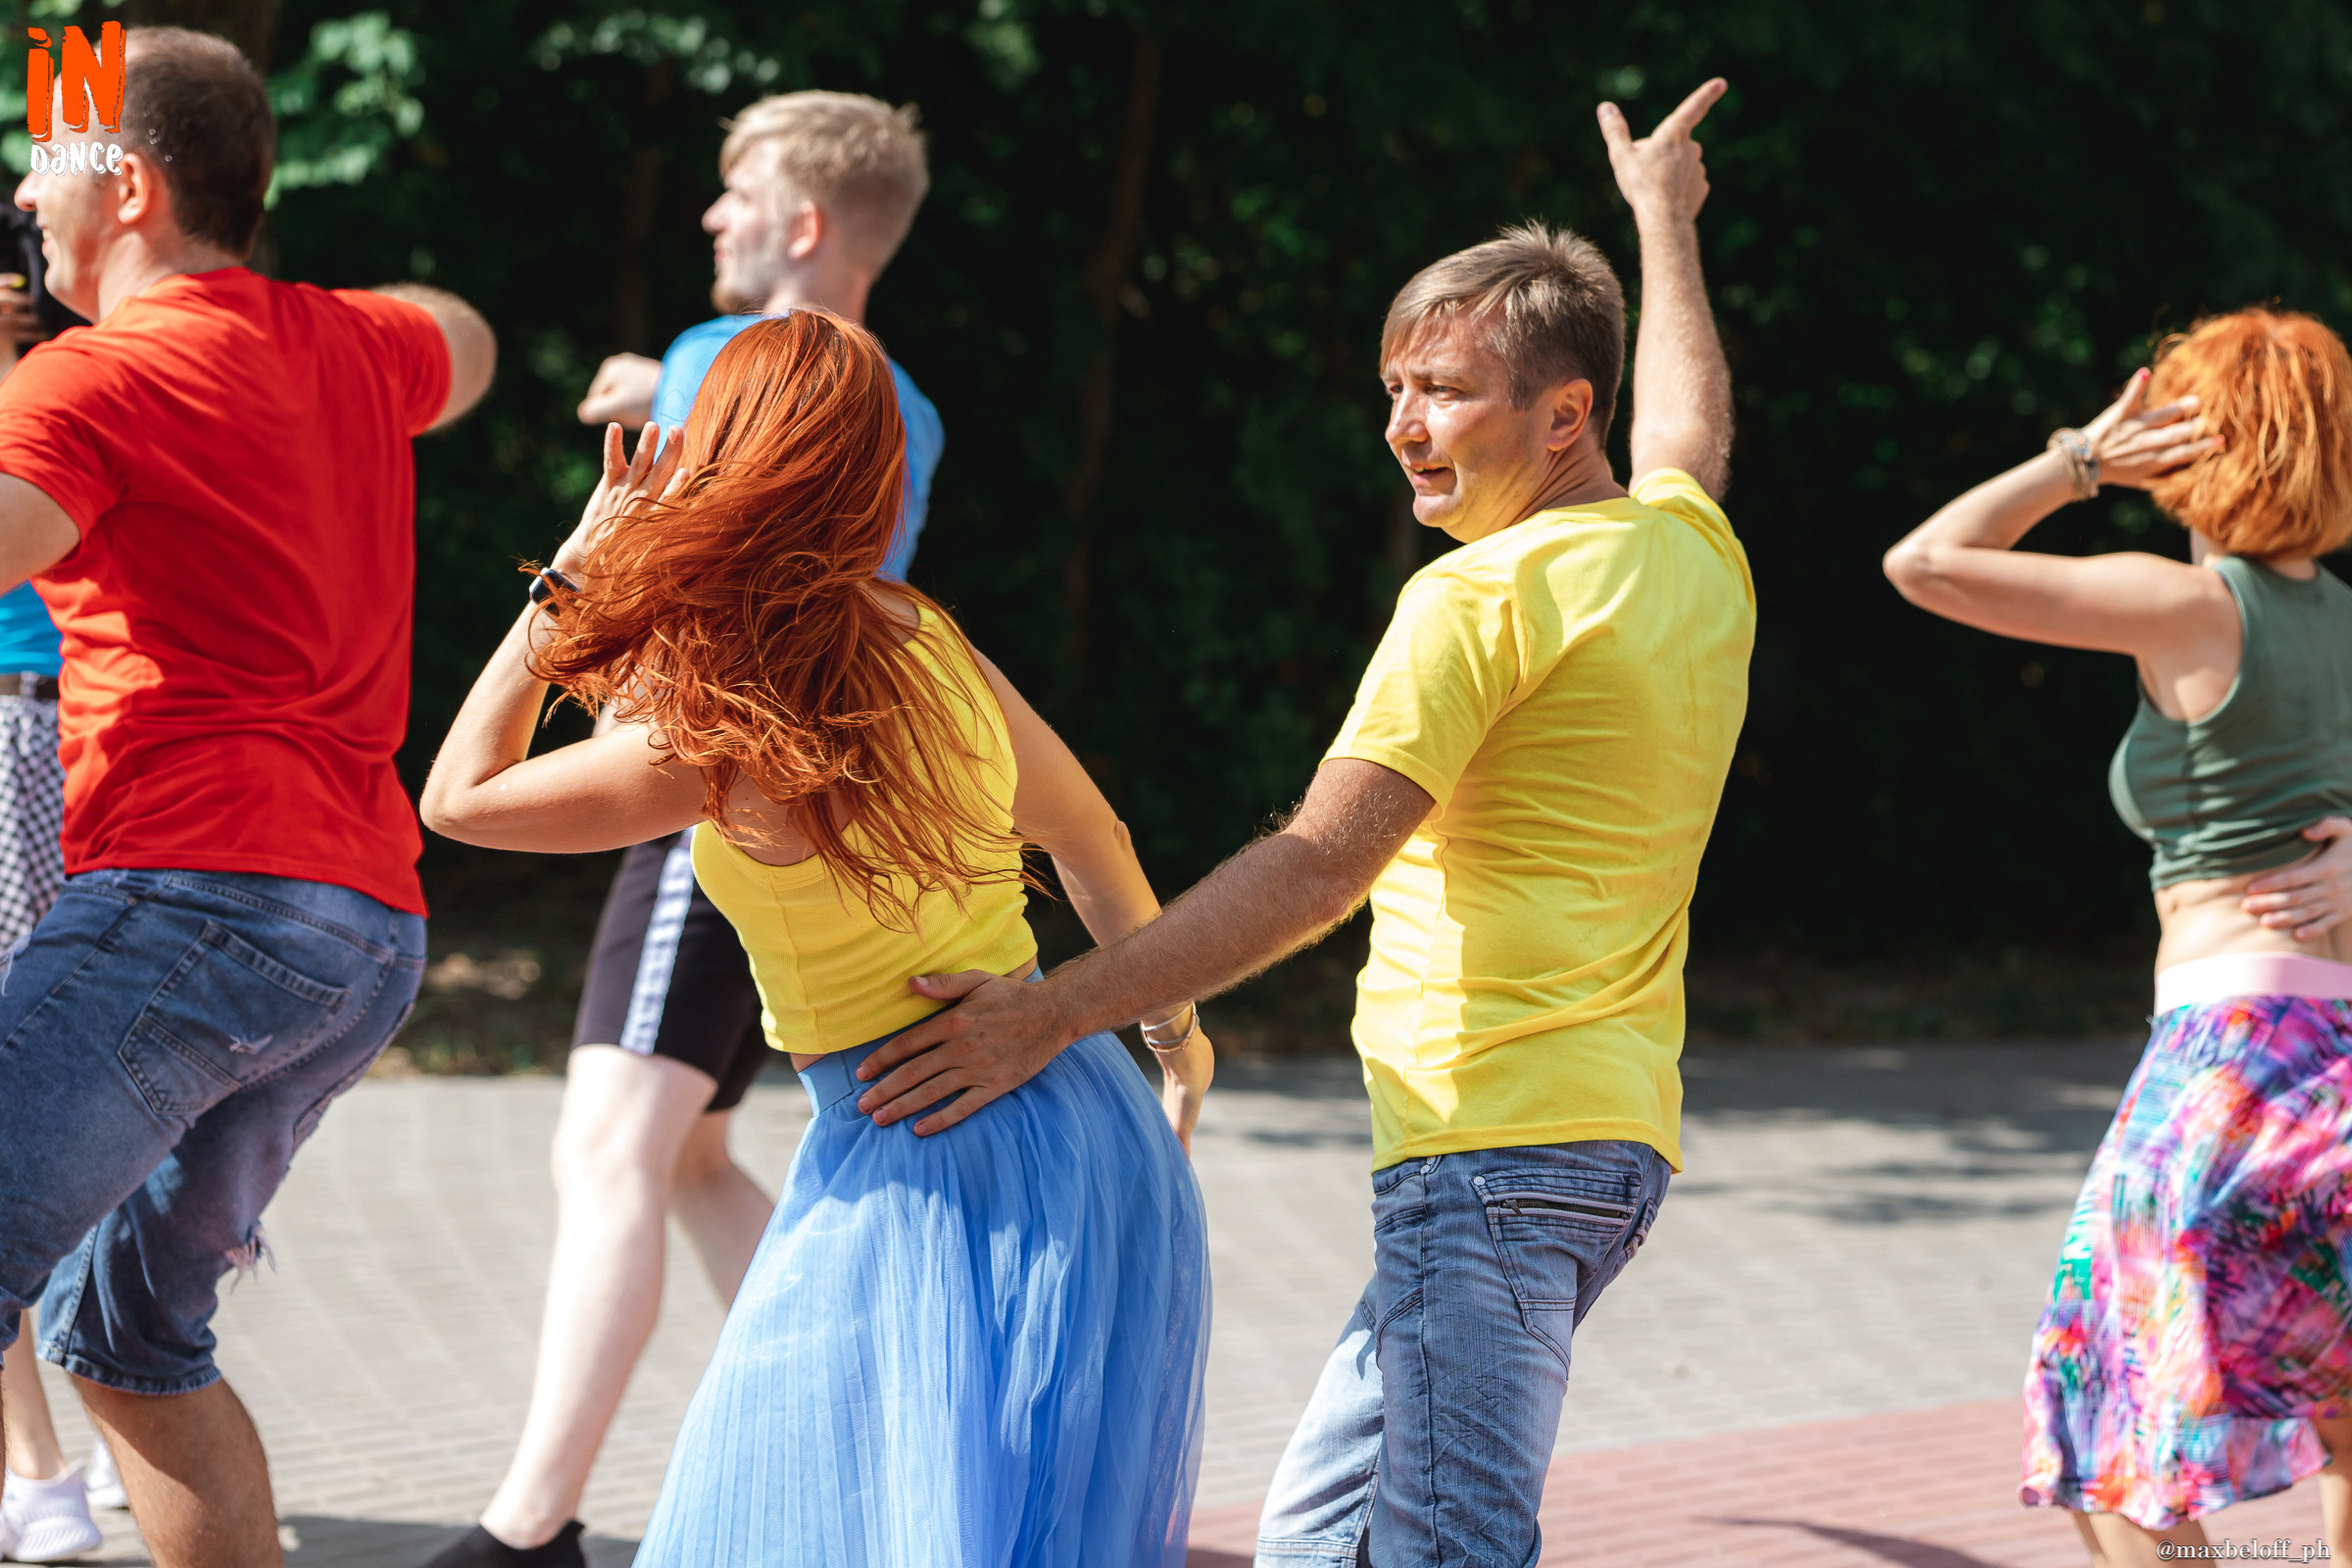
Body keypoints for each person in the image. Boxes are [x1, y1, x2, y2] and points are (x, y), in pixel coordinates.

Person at [853, 80, 1751, 1566]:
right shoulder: (1685, 550)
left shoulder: (1477, 598)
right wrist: (1662, 218)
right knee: (1314, 1541)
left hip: (1491, 1145)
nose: (1401, 427)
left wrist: (1053, 1013)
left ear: (1563, 414)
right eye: (1392, 388)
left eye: (1443, 392)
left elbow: (1321, 864)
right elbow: (1692, 428)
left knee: (1448, 1547)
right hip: (1595, 1147)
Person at [420, 311, 1210, 1564]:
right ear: (878, 480)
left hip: (919, 1159)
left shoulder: (720, 733)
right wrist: (1176, 1042)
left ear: (720, 461)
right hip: (1093, 1130)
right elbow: (1095, 836)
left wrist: (566, 575)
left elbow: (458, 797)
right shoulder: (932, 641)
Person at [422, 91, 942, 1568]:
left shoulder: (721, 357)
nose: (714, 214)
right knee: (696, 1157)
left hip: (697, 794)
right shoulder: (902, 403)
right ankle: (892, 1434)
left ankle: (529, 1529)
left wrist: (588, 568)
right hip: (816, 796)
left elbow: (675, 574)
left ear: (805, 222)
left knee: (608, 1149)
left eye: (738, 190)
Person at [0, 28, 494, 1568]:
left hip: (191, 903)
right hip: (363, 936)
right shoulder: (354, 345)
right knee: (130, 1339)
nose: (23, 197)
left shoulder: (91, 376)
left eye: (44, 162)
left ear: (128, 187)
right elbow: (467, 336)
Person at [1885, 312, 2352, 1567]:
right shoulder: (2345, 620)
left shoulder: (2192, 605)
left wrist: (2079, 461)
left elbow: (1924, 563)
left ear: (2193, 446)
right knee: (2347, 1406)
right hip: (2343, 1053)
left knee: (2102, 1409)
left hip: (2231, 1063)